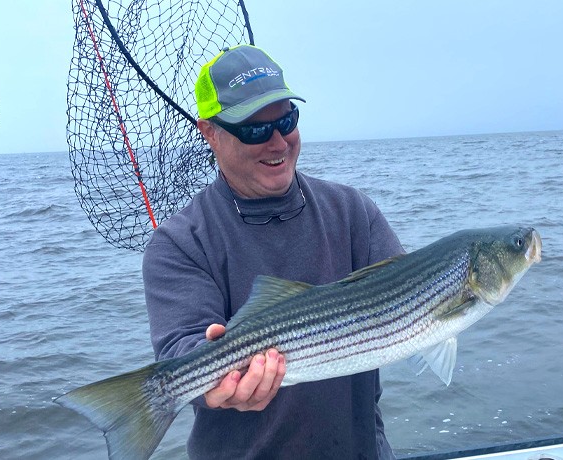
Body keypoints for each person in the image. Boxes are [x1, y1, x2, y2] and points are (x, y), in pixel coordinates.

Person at [142, 44, 404, 459]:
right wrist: (211, 377)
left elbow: (410, 295)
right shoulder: (180, 241)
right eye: (254, 129)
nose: (278, 142)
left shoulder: (353, 211)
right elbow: (180, 347)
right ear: (209, 132)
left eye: (286, 119)